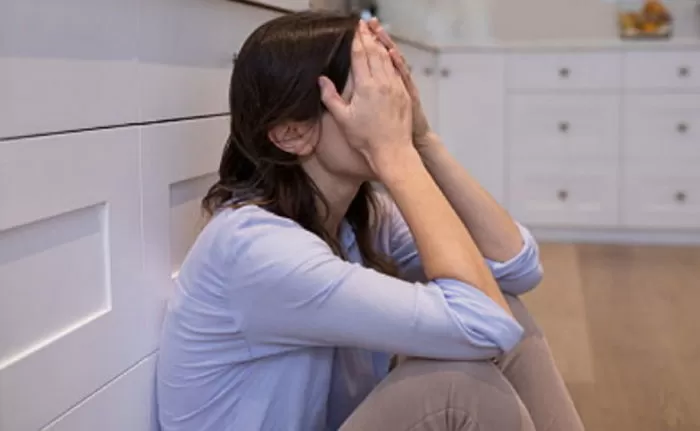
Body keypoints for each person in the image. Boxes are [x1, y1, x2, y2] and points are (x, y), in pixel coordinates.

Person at [156, 11, 584, 431]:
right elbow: (484, 326)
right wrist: (396, 155)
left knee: (505, 311)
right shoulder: (256, 249)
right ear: (292, 133)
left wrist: (423, 140)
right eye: (368, 93)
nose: (390, 106)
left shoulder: (359, 217)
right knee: (456, 388)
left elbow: (516, 267)